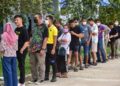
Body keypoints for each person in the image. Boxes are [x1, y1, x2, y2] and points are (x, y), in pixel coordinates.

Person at [29, 14, 48, 83]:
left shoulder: (44, 27)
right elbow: (31, 37)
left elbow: (46, 38)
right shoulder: (33, 27)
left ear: (40, 18)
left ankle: (41, 78)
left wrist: (43, 49)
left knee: (41, 64)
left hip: (40, 49)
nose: (34, 18)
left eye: (35, 17)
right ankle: (34, 78)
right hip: (32, 49)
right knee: (33, 64)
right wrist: (29, 47)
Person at [14, 15, 29, 86]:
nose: (15, 21)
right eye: (15, 20)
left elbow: (27, 41)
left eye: (17, 20)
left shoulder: (24, 29)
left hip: (22, 50)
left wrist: (22, 49)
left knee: (21, 65)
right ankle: (16, 80)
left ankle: (22, 82)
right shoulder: (16, 29)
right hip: (16, 50)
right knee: (17, 65)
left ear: (21, 20)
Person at [44, 15, 58, 82]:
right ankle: (46, 75)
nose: (46, 20)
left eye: (47, 19)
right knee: (46, 61)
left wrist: (53, 48)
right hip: (45, 45)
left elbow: (55, 40)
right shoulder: (45, 28)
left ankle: (54, 76)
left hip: (51, 45)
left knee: (53, 61)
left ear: (51, 20)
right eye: (45, 19)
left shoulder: (54, 28)